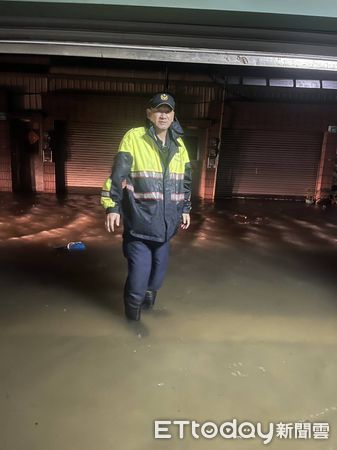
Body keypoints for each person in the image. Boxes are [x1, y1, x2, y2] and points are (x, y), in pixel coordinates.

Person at [100, 93, 192, 321]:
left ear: (173, 115)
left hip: (165, 229)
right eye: (158, 110)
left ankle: (148, 306)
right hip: (139, 227)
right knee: (139, 280)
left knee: (156, 279)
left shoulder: (179, 145)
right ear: (149, 114)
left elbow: (186, 180)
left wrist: (186, 208)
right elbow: (118, 174)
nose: (163, 114)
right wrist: (112, 206)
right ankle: (133, 323)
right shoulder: (134, 137)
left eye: (167, 110)